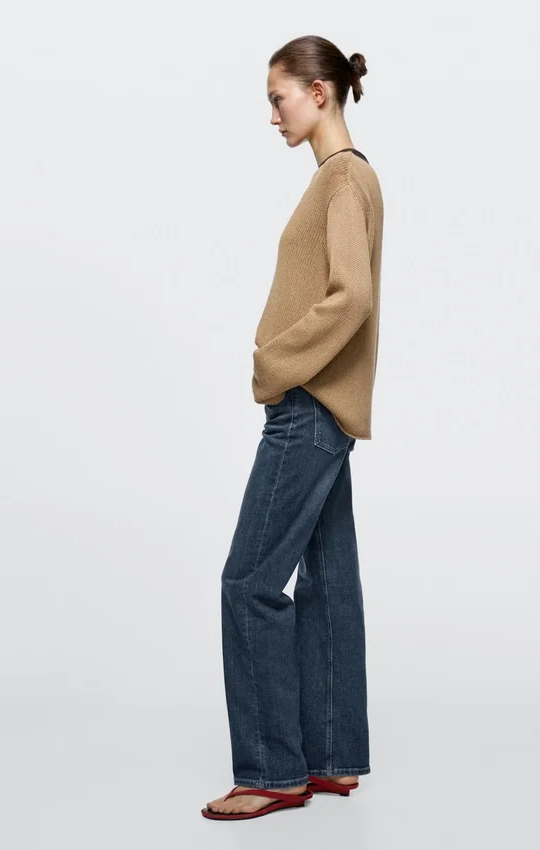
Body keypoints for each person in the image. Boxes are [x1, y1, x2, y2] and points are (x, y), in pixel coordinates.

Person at [202, 34, 384, 821]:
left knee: (248, 582)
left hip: (307, 407)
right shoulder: (349, 177)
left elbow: (352, 298)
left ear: (318, 91)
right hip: (327, 411)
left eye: (278, 99)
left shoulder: (341, 179)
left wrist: (275, 360)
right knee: (328, 582)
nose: (272, 115)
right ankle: (331, 758)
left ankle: (271, 770)